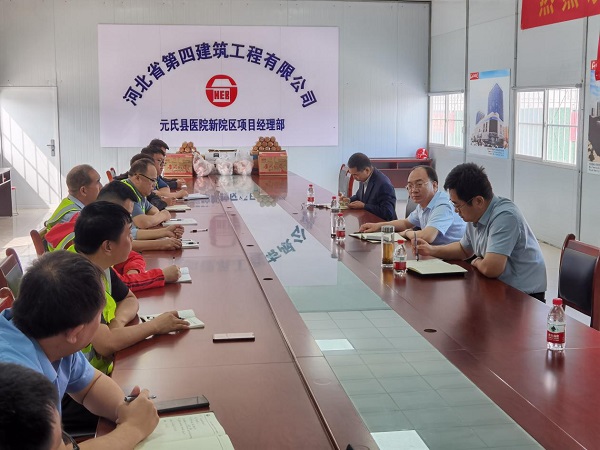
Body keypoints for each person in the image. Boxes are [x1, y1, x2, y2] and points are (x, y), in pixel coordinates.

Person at [0, 251, 159, 448]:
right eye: (100, 315)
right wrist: (132, 430)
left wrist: (124, 409)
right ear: (76, 332)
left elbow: (90, 385)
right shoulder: (15, 383)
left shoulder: (53, 336)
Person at [415, 162, 547, 300]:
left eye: (458, 205)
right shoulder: (475, 214)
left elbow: (491, 268)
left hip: (524, 296)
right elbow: (463, 249)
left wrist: (476, 261)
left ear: (478, 201)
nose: (456, 210)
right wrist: (431, 250)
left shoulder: (505, 216)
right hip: (497, 287)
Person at [45, 181, 183, 289]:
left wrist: (133, 271)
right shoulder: (87, 237)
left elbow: (133, 256)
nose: (128, 219)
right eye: (125, 214)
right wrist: (161, 275)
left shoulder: (99, 227)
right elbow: (122, 284)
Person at [359, 166, 465, 244]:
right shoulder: (424, 203)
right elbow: (405, 223)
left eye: (419, 184)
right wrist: (377, 226)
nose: (413, 190)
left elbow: (427, 236)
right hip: (434, 252)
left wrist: (407, 233)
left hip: (455, 260)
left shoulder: (443, 205)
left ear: (434, 185)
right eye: (410, 186)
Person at [340, 152, 397, 221]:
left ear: (367, 170)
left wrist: (365, 206)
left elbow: (388, 212)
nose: (354, 178)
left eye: (355, 174)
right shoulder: (364, 178)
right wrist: (349, 200)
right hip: (367, 221)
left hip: (382, 224)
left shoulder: (384, 184)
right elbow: (359, 196)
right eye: (352, 174)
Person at [46, 165, 102, 230]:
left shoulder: (68, 203)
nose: (101, 187)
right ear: (83, 191)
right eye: (98, 182)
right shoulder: (77, 219)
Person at [120, 158, 172, 229]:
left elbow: (154, 211)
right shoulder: (125, 191)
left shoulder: (139, 191)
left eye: (155, 181)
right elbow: (143, 223)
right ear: (138, 178)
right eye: (152, 180)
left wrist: (156, 217)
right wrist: (163, 215)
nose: (154, 185)